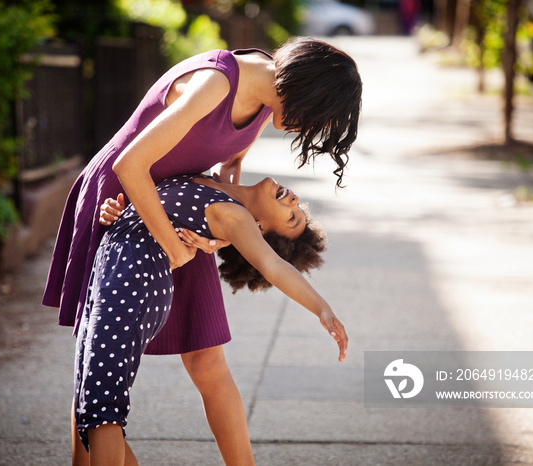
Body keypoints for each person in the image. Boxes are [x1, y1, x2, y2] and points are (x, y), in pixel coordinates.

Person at [42, 36, 362, 465]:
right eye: (316, 117)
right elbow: (130, 164)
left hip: (183, 205)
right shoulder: (216, 82)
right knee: (98, 372)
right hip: (124, 202)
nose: (308, 130)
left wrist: (225, 229)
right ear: (304, 89)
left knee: (206, 360)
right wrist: (177, 244)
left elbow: (231, 166)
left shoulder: (269, 94)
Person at [76, 173, 347, 465]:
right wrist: (118, 211)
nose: (294, 201)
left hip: (133, 281)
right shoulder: (214, 179)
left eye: (291, 218)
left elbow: (274, 265)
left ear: (259, 230)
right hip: (110, 269)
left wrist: (322, 308)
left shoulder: (234, 217)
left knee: (101, 411)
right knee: (88, 413)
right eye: (298, 210)